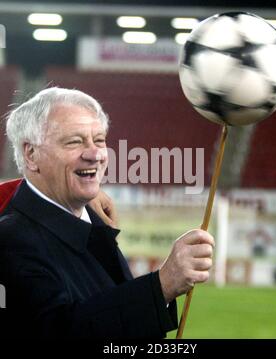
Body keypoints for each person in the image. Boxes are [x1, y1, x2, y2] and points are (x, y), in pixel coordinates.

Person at [0, 87, 214, 339]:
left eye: (99, 140)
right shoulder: (12, 239)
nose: (95, 154)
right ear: (31, 154)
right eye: (74, 141)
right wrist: (162, 286)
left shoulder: (88, 217)